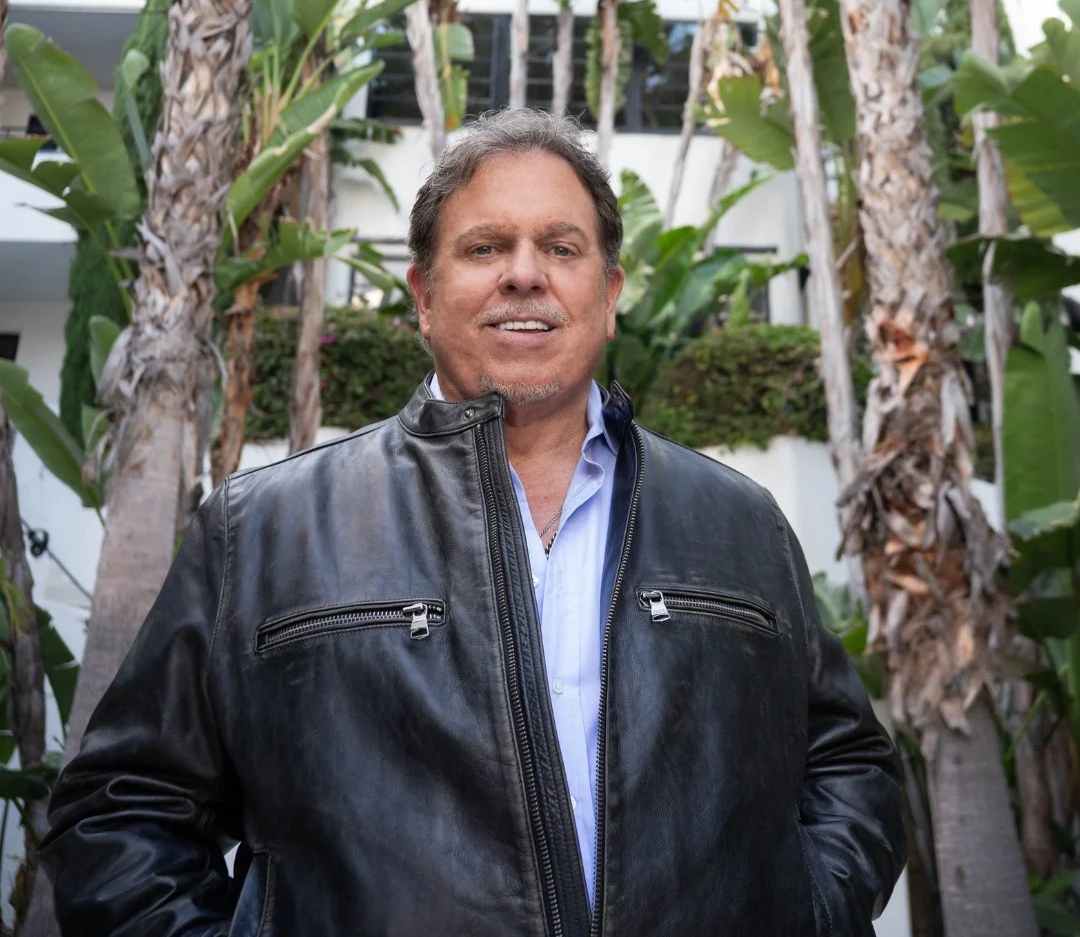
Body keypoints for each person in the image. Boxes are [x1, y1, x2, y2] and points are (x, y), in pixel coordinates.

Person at [41, 109, 905, 936]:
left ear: (608, 295)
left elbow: (850, 765)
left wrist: (811, 913)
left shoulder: (739, 524)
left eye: (561, 248)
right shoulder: (264, 531)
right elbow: (121, 807)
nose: (524, 273)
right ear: (423, 295)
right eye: (485, 247)